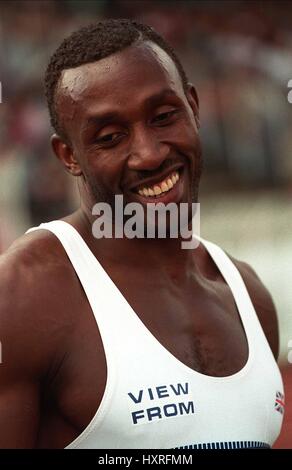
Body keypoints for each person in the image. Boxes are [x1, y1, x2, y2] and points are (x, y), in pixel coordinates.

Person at [0, 19, 284, 449]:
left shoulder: (250, 297)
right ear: (68, 155)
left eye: (164, 117)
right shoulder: (23, 295)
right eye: (111, 137)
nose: (149, 154)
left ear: (194, 106)